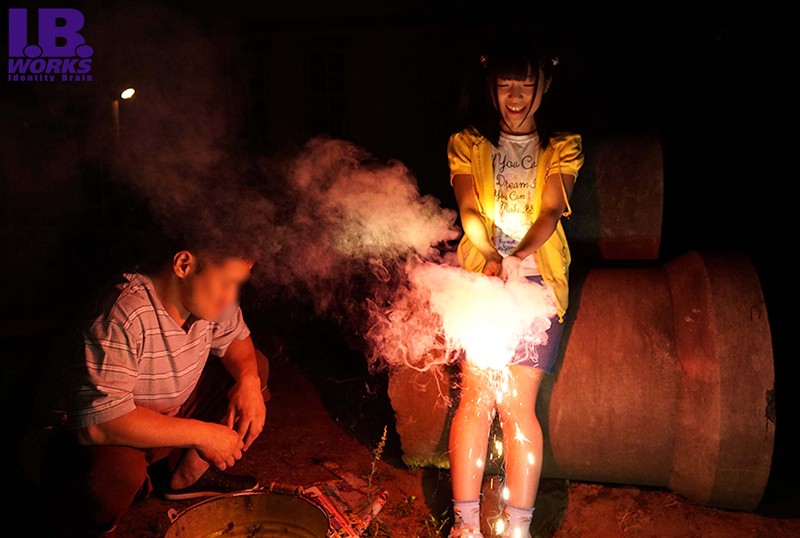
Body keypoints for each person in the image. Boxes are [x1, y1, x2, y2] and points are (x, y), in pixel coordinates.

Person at [18, 234, 271, 538]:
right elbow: (98, 426)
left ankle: (185, 478)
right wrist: (204, 434)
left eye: (238, 284)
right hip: (80, 440)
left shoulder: (207, 297)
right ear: (184, 264)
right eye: (226, 283)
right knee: (115, 474)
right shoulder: (120, 314)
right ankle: (85, 522)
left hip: (157, 420)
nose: (231, 298)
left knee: (253, 368)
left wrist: (249, 381)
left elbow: (236, 339)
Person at [445, 35, 585, 538]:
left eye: (526, 84)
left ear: (544, 85)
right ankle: (464, 526)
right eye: (506, 85)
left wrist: (518, 259)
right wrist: (489, 257)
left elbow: (550, 211)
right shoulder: (468, 143)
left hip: (537, 290)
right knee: (476, 400)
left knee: (517, 407)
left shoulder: (563, 146)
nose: (516, 96)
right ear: (490, 87)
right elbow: (469, 210)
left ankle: (518, 529)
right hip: (482, 282)